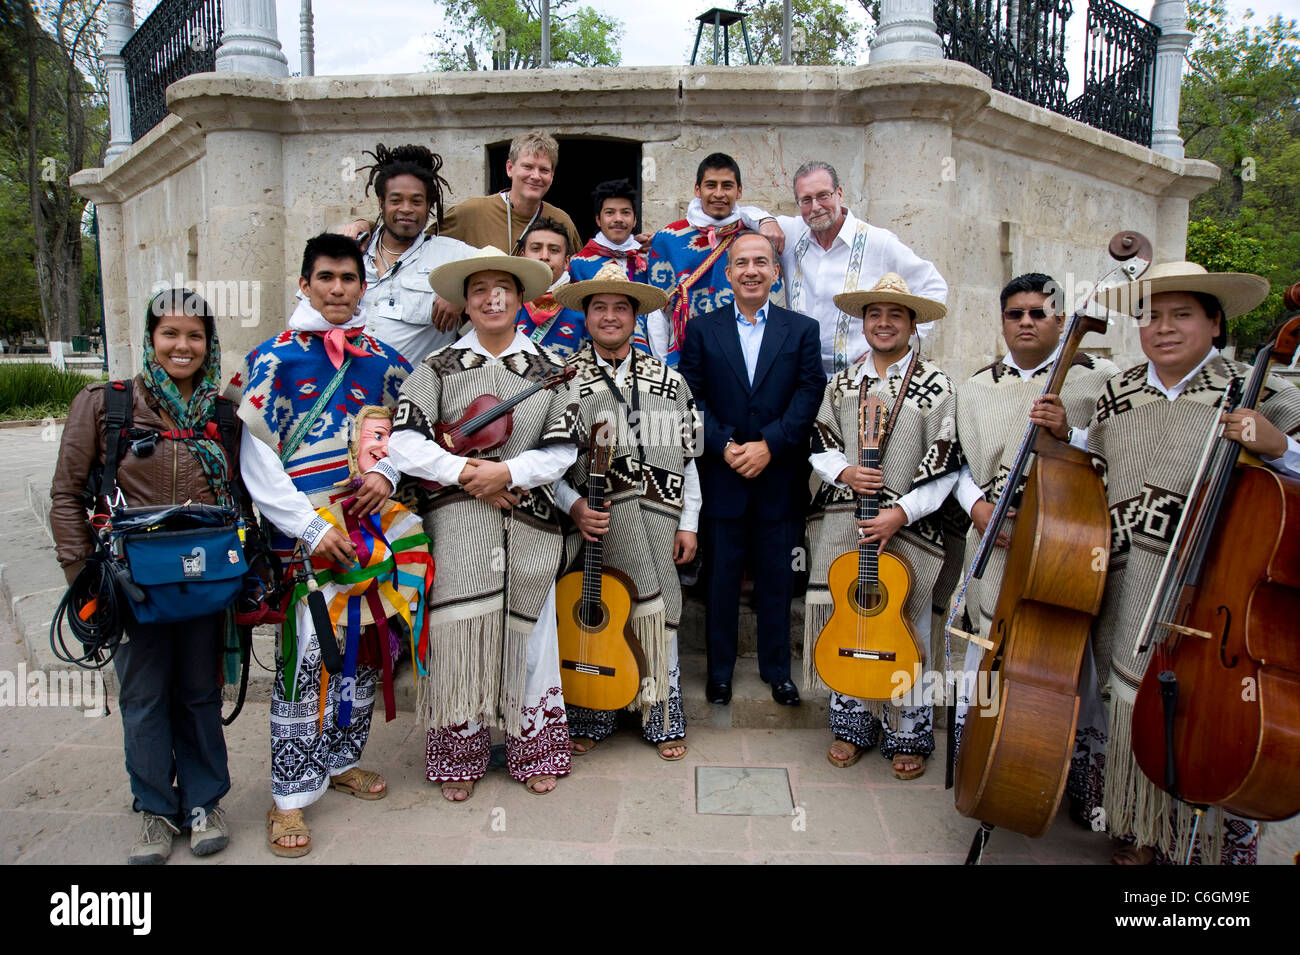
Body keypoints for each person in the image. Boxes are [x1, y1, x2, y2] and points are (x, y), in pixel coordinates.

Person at [1087, 261, 1300, 865]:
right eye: (1152, 316)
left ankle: (1209, 841)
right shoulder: (1117, 391)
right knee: (1130, 702)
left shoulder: (1262, 390)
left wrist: (1279, 446)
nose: (1164, 328)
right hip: (1129, 578)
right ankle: (1141, 824)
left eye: (1182, 315)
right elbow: (1095, 470)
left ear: (1214, 322)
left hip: (1218, 588)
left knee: (1214, 716)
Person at [226, 233, 411, 858]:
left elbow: (406, 442)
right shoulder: (273, 359)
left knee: (359, 655)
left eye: (349, 278)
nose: (338, 289)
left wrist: (386, 478)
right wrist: (310, 528)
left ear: (364, 285)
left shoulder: (384, 361)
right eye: (325, 277)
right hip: (306, 544)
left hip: (370, 539)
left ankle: (340, 760)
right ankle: (288, 797)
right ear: (304, 284)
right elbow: (258, 463)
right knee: (307, 662)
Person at [378, 246, 581, 800]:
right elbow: (403, 442)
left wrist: (508, 473)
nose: (493, 298)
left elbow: (563, 452)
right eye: (480, 290)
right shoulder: (436, 368)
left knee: (531, 636)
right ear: (465, 303)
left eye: (504, 288)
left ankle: (532, 746)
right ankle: (459, 754)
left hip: (531, 523)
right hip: (458, 523)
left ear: (520, 299)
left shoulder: (549, 370)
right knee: (459, 631)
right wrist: (470, 472)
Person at [50, 288, 240, 864]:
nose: (183, 346)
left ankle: (205, 800)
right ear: (150, 339)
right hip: (130, 585)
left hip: (202, 581)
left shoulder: (225, 411)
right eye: (170, 334)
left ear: (209, 344)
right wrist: (85, 582)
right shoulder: (106, 405)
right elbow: (65, 497)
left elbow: (245, 493)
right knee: (143, 695)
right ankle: (155, 808)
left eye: (195, 336)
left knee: (200, 692)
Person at [949, 273, 1118, 813]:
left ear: (1062, 321)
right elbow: (956, 464)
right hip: (994, 537)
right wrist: (979, 509)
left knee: (1066, 663)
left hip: (1065, 544)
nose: (1025, 322)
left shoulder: (1100, 381)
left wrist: (1072, 431)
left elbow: (1122, 454)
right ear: (1001, 322)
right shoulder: (976, 385)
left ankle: (1067, 779)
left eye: (1038, 313)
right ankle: (982, 759)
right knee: (986, 647)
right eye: (1014, 313)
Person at [804, 274, 959, 779]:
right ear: (863, 322)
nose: (884, 323)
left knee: (905, 623)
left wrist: (903, 512)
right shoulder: (844, 381)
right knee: (851, 616)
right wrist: (843, 470)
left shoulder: (937, 385)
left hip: (910, 526)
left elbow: (950, 461)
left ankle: (906, 733)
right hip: (849, 521)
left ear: (913, 323)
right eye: (875, 314)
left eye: (896, 314)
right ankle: (851, 726)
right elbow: (820, 441)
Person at [550, 261, 701, 759]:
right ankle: (594, 711)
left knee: (656, 615)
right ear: (586, 317)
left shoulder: (671, 382)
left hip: (659, 523)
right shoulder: (563, 381)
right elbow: (545, 463)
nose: (610, 316)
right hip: (596, 525)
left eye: (621, 307)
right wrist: (573, 507)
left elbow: (690, 459)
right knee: (596, 610)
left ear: (635, 318)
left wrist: (690, 522)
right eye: (600, 307)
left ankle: (659, 716)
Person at [678, 230, 823, 706]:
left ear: (776, 272)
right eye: (742, 263)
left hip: (779, 478)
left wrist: (770, 445)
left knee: (777, 583)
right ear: (729, 273)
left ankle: (777, 671)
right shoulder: (702, 329)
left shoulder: (801, 329)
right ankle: (719, 673)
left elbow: (808, 394)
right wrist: (724, 446)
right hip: (723, 477)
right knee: (720, 583)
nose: (752, 271)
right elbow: (690, 397)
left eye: (761, 261)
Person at [771, 160, 947, 376]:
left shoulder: (878, 242)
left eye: (823, 195)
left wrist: (897, 342)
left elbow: (934, 286)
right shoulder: (792, 232)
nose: (815, 206)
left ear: (839, 194)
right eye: (806, 200)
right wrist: (764, 222)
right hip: (801, 379)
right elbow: (741, 214)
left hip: (857, 380)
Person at [645, 153, 786, 367]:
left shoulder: (756, 238)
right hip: (689, 358)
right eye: (711, 185)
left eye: (727, 186)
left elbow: (775, 302)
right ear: (697, 190)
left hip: (746, 357)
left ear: (739, 191)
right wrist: (663, 367)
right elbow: (657, 312)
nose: (719, 193)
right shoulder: (668, 239)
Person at [345, 131, 582, 255]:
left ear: (553, 175)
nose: (535, 176)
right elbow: (413, 235)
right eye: (528, 167)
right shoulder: (472, 212)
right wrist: (366, 225)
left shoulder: (561, 221)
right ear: (510, 168)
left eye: (544, 170)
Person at [356, 143, 478, 364]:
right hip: (348, 390)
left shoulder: (450, 255)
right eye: (396, 200)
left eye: (416, 201)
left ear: (429, 205)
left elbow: (504, 266)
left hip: (412, 395)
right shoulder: (353, 251)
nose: (406, 208)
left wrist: (461, 291)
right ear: (381, 203)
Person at [569, 179, 656, 354]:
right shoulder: (579, 264)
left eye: (625, 212)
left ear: (634, 220)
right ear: (598, 219)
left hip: (644, 357)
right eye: (610, 212)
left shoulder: (647, 262)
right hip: (595, 356)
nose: (618, 219)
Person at [514, 217, 588, 359]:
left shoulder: (584, 307)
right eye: (536, 249)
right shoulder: (507, 305)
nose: (544, 256)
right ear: (522, 257)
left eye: (554, 250)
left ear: (567, 262)